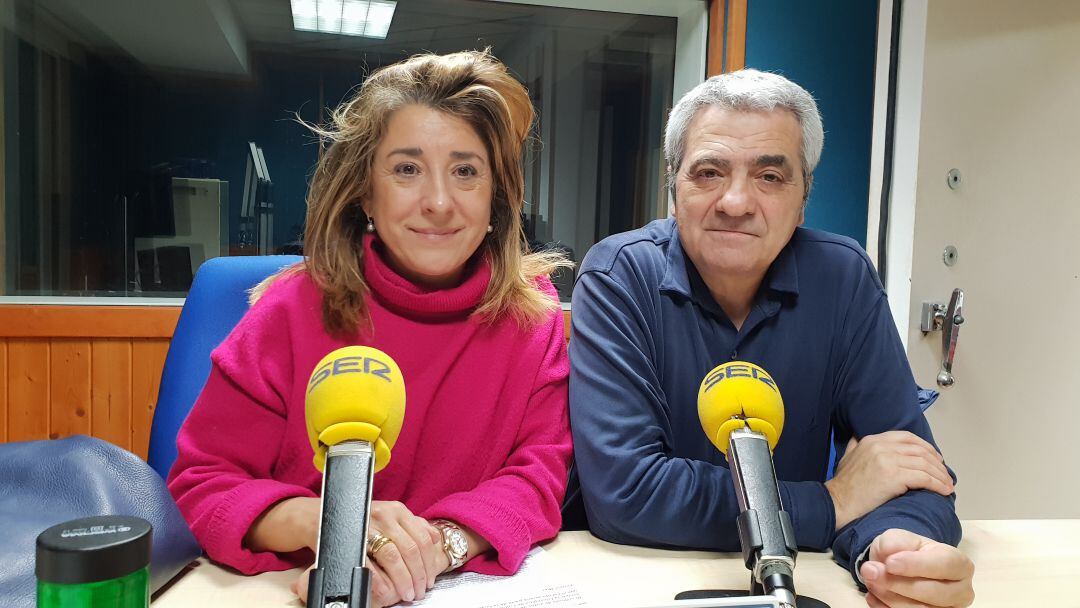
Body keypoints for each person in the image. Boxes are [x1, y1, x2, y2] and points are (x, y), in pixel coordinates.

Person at [167, 50, 573, 608]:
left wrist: (437, 548)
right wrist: (330, 523)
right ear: (364, 191)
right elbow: (204, 482)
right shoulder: (289, 308)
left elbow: (538, 479)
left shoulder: (535, 318)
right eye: (407, 168)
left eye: (466, 171)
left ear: (496, 196)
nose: (438, 202)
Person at [567, 69, 975, 608]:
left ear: (804, 195)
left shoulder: (843, 277)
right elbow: (627, 494)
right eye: (708, 172)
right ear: (674, 186)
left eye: (770, 177)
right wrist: (831, 504)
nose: (735, 202)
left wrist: (890, 548)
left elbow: (914, 471)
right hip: (641, 583)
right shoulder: (618, 276)